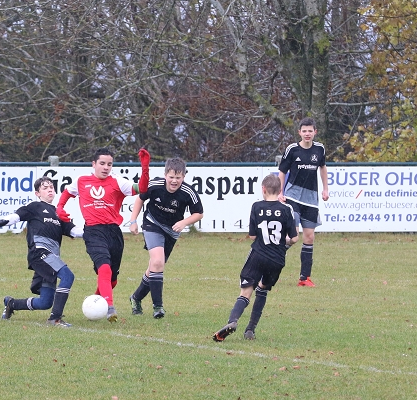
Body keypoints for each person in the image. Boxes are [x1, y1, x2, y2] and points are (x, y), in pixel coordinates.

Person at [55, 147, 149, 322]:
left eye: (109, 164)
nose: (106, 167)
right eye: (102, 163)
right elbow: (67, 193)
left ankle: (94, 303)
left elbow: (142, 189)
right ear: (94, 164)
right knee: (104, 268)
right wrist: (59, 208)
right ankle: (109, 308)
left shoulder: (118, 182)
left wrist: (145, 167)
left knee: (112, 281)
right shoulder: (81, 181)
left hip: (114, 233)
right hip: (93, 232)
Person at [213, 173, 297, 342]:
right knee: (263, 289)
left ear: (263, 189)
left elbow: (252, 236)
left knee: (245, 292)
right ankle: (250, 330)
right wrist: (284, 242)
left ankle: (232, 321)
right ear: (280, 190)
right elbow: (294, 238)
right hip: (277, 259)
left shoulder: (256, 207)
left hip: (258, 255)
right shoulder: (287, 209)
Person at [0, 176, 83, 327]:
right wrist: (6, 221)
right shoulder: (35, 206)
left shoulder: (58, 212)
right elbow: (18, 215)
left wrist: (93, 231)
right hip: (40, 252)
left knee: (45, 302)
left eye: (51, 187)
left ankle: (11, 303)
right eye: (45, 187)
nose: (50, 190)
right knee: (67, 276)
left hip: (51, 257)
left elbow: (74, 231)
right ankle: (55, 319)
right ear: (37, 193)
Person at [127, 154, 204, 318]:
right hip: (152, 223)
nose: (174, 181)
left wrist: (184, 222)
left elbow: (199, 213)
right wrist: (133, 221)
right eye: (171, 177)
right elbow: (140, 199)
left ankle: (136, 298)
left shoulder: (188, 192)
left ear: (183, 177)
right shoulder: (154, 185)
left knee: (155, 267)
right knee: (157, 262)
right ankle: (158, 307)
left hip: (172, 231)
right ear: (165, 175)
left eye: (178, 177)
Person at [278, 116, 328, 287]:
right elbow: (282, 172)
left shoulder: (320, 149)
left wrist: (325, 189)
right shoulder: (292, 150)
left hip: (311, 199)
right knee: (294, 237)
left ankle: (304, 278)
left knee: (309, 237)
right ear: (299, 132)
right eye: (304, 131)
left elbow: (323, 168)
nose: (307, 133)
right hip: (293, 196)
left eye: (310, 131)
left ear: (315, 132)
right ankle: (273, 253)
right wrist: (280, 192)